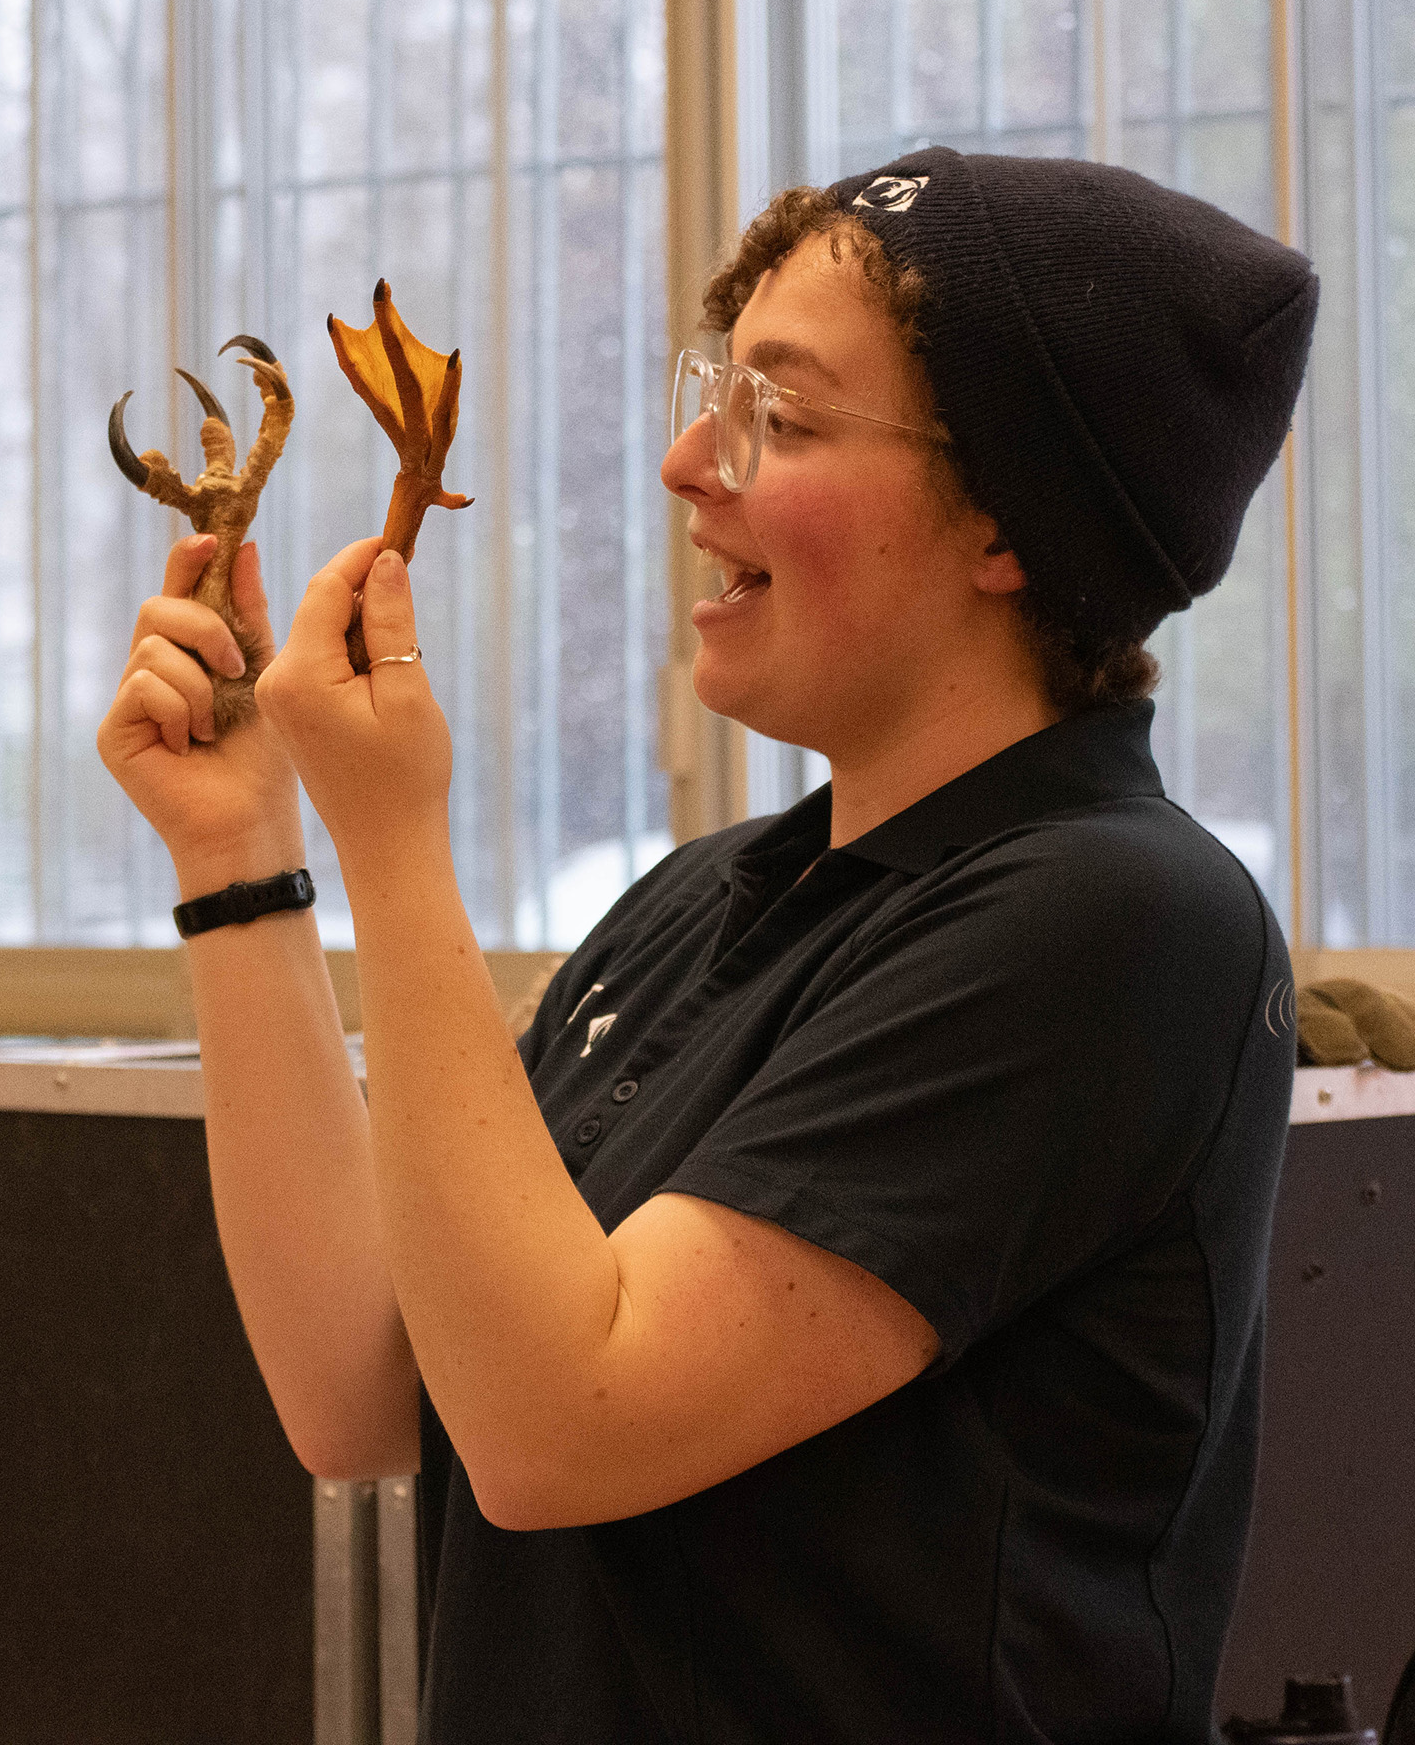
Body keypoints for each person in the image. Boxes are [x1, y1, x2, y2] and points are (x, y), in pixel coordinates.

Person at [98, 146, 1318, 1744]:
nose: (687, 461)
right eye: (711, 391)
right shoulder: (706, 900)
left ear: (1010, 525)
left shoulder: (1119, 924)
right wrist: (244, 857)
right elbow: (364, 1391)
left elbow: (556, 1430)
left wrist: (394, 843)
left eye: (782, 419)